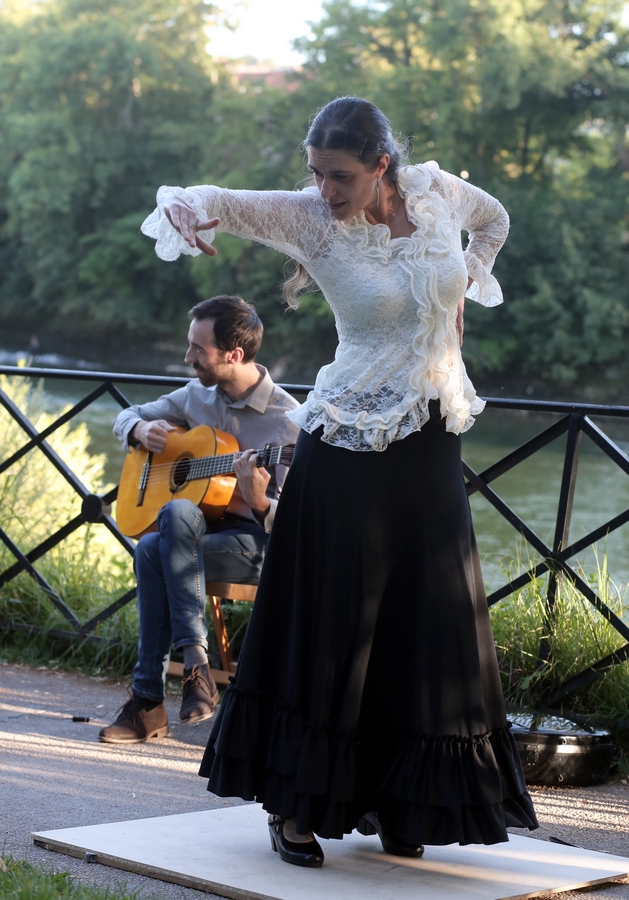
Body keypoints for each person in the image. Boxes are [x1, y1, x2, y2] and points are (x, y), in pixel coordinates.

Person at [140, 97, 538, 866]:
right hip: (345, 441)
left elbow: (495, 222)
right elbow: (216, 201)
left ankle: (403, 797)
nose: (325, 188)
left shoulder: (439, 194)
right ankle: (292, 804)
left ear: (383, 165)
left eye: (341, 175)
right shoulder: (312, 219)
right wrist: (189, 213)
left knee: (427, 616)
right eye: (317, 173)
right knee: (333, 620)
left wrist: (459, 299)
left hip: (428, 436)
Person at [99, 295, 300, 741]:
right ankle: (191, 669)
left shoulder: (289, 424)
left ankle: (147, 702)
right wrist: (137, 430)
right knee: (170, 521)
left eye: (198, 350)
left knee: (159, 539)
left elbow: (301, 523)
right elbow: (126, 414)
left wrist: (261, 502)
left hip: (253, 545)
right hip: (192, 534)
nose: (188, 357)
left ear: (234, 355)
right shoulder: (194, 396)